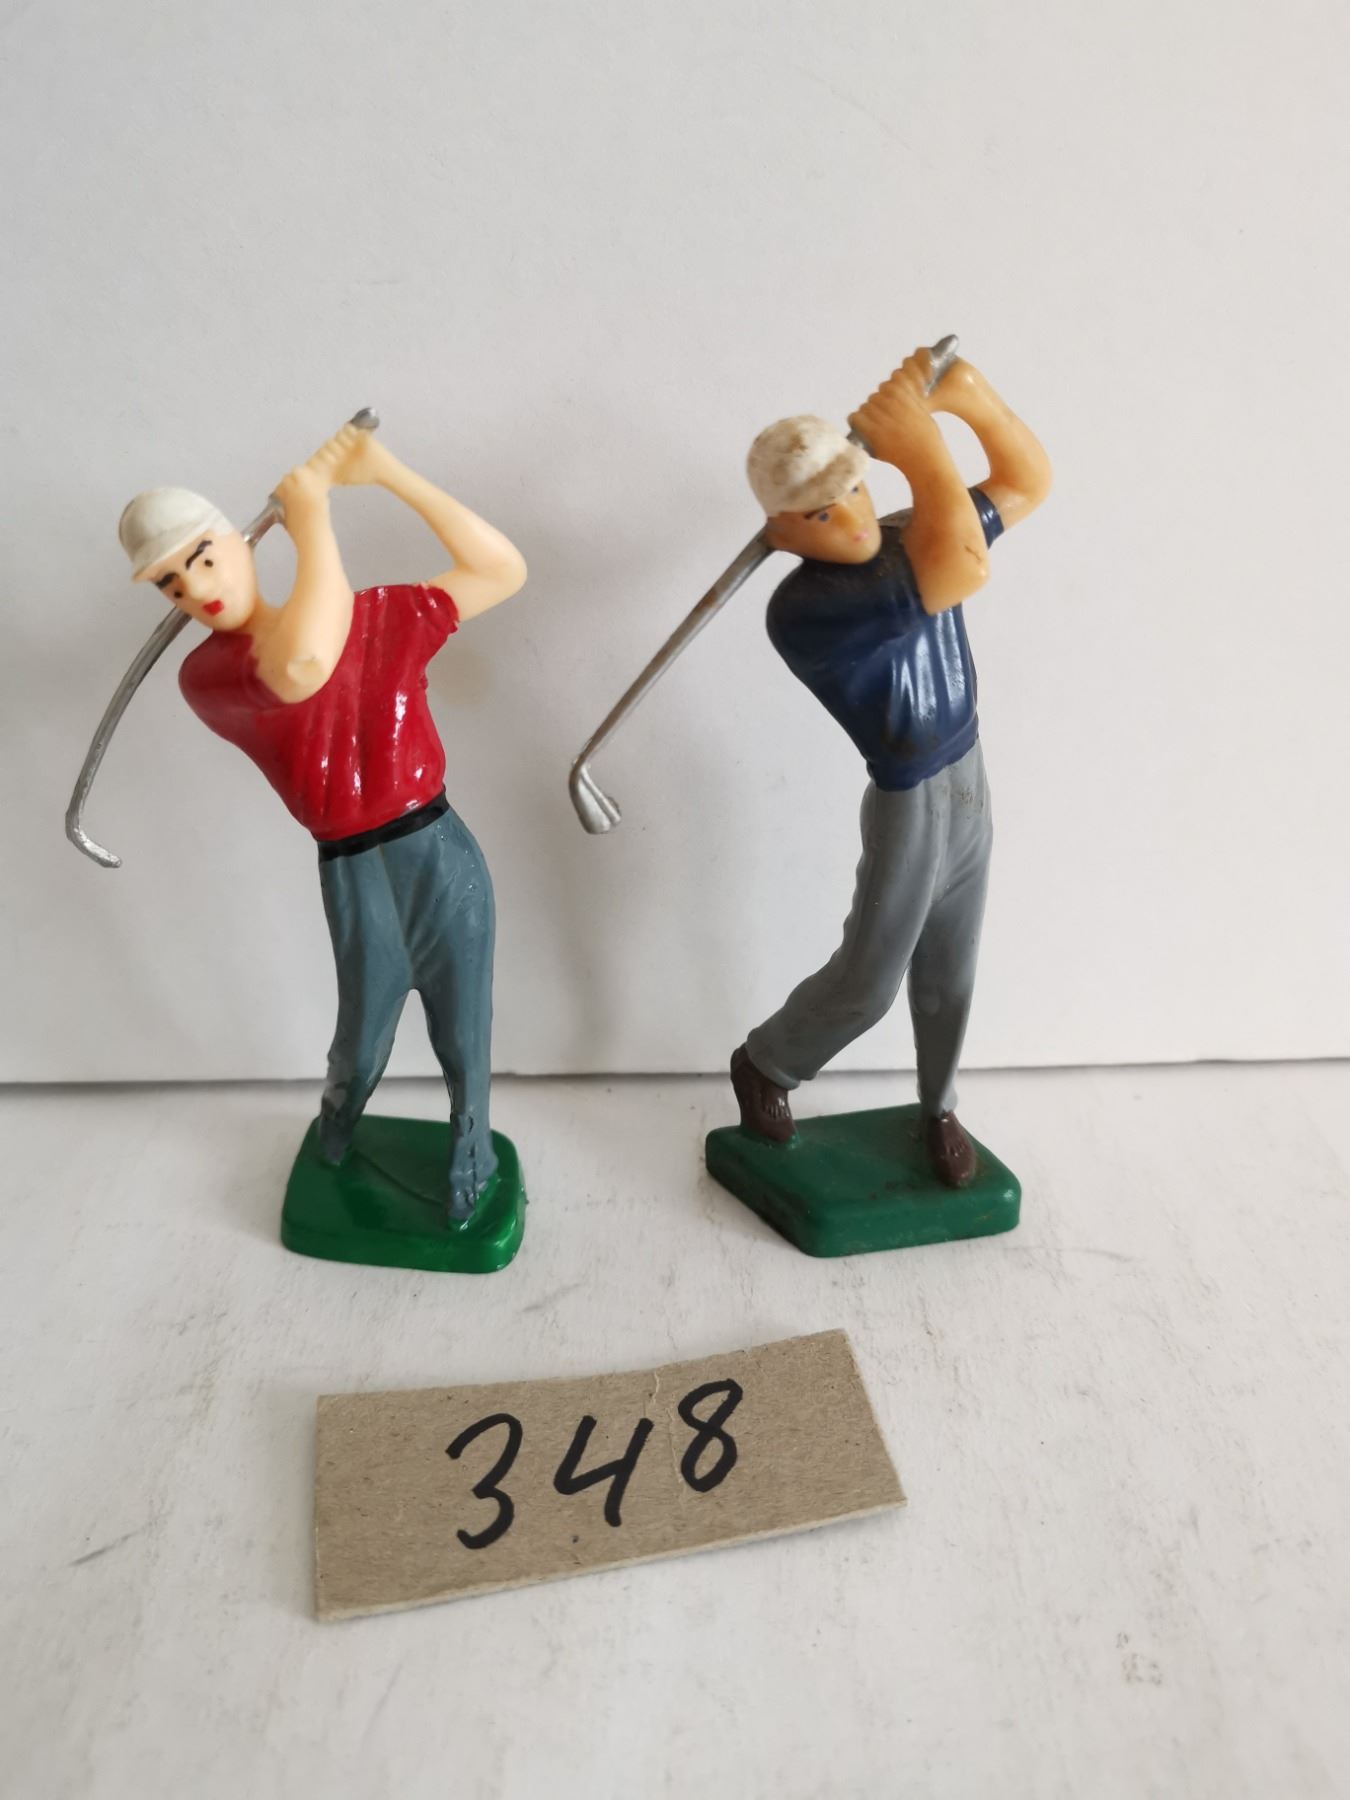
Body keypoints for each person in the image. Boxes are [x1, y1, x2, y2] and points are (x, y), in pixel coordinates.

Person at [117, 423, 526, 1220]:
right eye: (171, 582)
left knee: (463, 1026)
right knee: (362, 1041)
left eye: (204, 556)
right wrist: (313, 520)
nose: (196, 587)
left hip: (439, 846)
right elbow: (304, 662)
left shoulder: (375, 618)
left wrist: (391, 473)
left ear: (241, 543)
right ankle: (337, 1127)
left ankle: (471, 1145)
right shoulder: (211, 675)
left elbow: (500, 569)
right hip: (355, 868)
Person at [730, 350, 1050, 1186]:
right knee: (869, 981)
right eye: (822, 512)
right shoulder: (805, 608)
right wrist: (917, 444)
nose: (853, 518)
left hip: (969, 769)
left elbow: (1028, 482)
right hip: (908, 797)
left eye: (856, 488)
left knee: (953, 964)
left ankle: (939, 1106)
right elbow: (961, 567)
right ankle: (768, 1062)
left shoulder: (918, 529)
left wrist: (969, 400)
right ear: (783, 533)